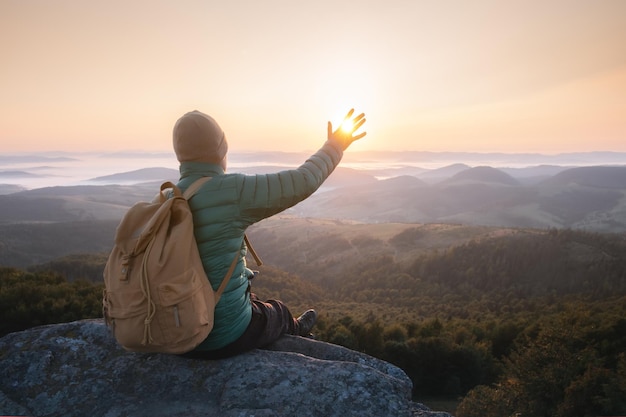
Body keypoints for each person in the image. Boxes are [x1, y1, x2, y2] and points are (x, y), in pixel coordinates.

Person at [173, 108, 366, 359]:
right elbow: (303, 180)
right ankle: (297, 330)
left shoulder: (168, 197)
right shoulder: (232, 190)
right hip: (219, 336)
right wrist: (335, 145)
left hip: (175, 332)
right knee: (277, 311)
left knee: (248, 296)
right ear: (221, 150)